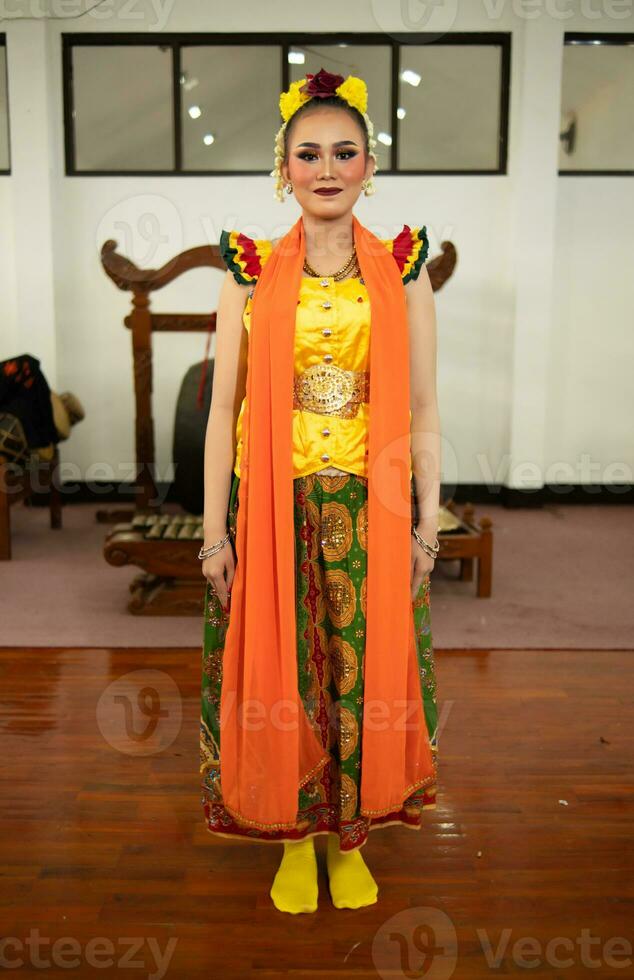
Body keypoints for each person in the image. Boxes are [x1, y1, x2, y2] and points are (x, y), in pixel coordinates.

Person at [199, 68, 441, 915]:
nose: (327, 167)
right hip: (276, 503)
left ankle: (354, 835)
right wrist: (213, 534)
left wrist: (427, 529)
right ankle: (296, 838)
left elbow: (424, 403)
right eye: (309, 154)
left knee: (358, 678)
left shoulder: (405, 266)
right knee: (288, 680)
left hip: (372, 508)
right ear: (284, 166)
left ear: (370, 163)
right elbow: (221, 404)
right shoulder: (250, 267)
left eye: (345, 151)